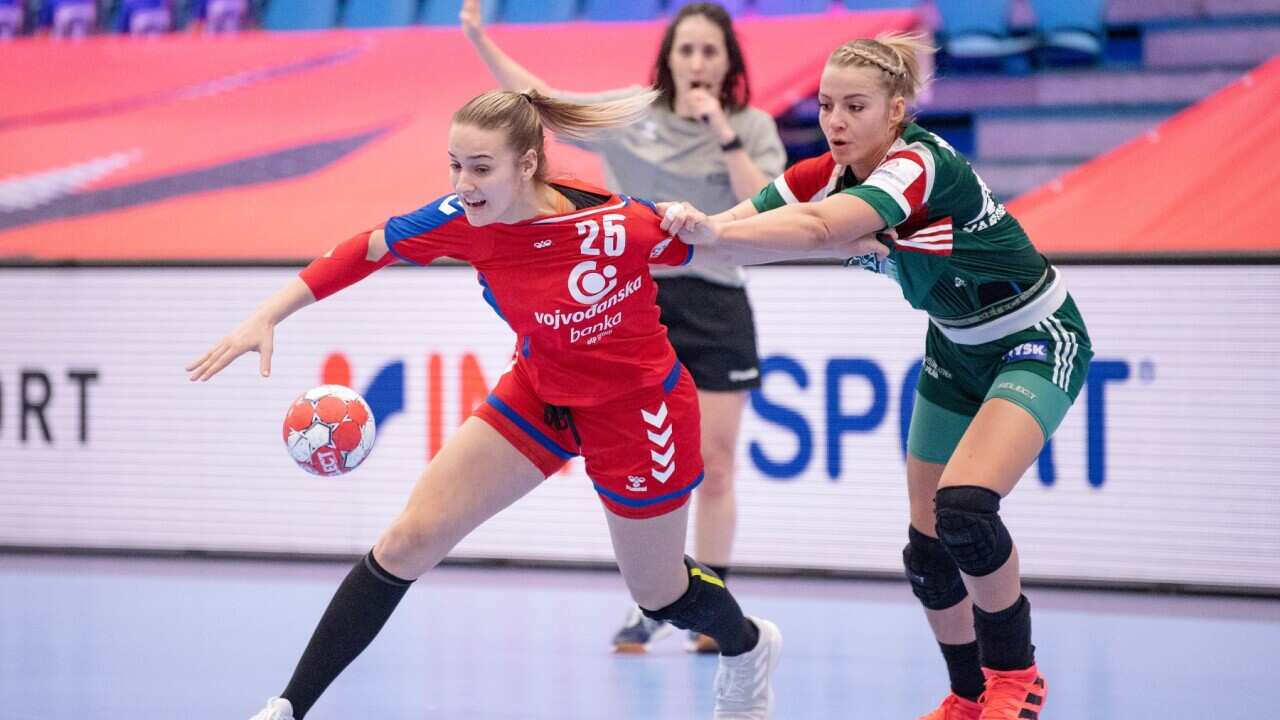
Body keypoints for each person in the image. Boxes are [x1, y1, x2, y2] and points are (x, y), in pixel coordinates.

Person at [187, 89, 878, 720]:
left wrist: (852, 236)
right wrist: (270, 313)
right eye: (455, 163)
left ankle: (749, 645)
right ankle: (287, 708)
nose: (463, 183)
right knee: (408, 540)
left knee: (661, 595)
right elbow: (366, 248)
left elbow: (730, 241)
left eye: (481, 167)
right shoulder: (463, 220)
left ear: (527, 164)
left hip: (639, 412)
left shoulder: (618, 226)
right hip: (541, 391)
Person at [660, 33, 1092, 720]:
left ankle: (1016, 677)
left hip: (1033, 337)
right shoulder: (825, 172)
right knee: (926, 549)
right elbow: (724, 229)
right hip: (954, 349)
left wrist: (711, 237)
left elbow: (813, 231)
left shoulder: (918, 165)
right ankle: (968, 695)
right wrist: (665, 236)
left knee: (966, 510)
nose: (835, 121)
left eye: (855, 107)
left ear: (897, 110)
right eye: (827, 104)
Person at [460, 0, 787, 654]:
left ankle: (711, 598)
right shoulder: (630, 114)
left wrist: (721, 129)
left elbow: (770, 199)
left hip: (717, 301)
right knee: (635, 464)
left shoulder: (750, 124)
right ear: (667, 57)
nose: (696, 62)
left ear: (729, 64)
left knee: (715, 466)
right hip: (632, 304)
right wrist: (477, 35)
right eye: (685, 49)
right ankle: (653, 603)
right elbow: (541, 99)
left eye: (709, 52)